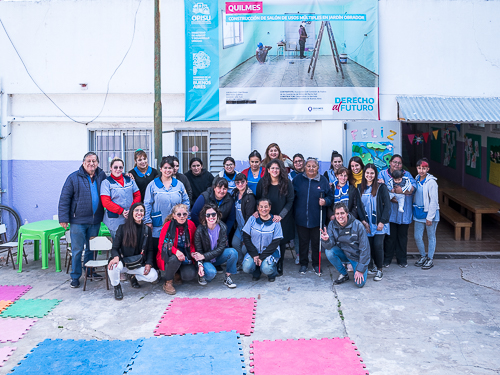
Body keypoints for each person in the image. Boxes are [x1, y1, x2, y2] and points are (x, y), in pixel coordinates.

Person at [58, 152, 107, 288]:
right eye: (89, 161)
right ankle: (75, 276)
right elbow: (64, 198)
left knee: (92, 248)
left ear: (97, 163)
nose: (92, 163)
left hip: (95, 220)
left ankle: (90, 271)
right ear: (83, 162)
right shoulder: (73, 177)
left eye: (94, 161)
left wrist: (127, 176)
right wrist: (63, 218)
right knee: (77, 250)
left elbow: (112, 184)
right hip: (77, 221)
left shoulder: (101, 175)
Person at [107, 202, 159, 300]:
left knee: (153, 276)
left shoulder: (147, 229)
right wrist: (116, 257)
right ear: (131, 212)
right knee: (113, 266)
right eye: (136, 210)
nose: (139, 213)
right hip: (124, 263)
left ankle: (134, 277)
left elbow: (150, 250)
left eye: (141, 211)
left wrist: (149, 263)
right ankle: (117, 287)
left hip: (138, 263)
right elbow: (115, 248)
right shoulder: (122, 228)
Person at [144, 156, 190, 262]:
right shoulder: (152, 185)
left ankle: (172, 269)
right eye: (165, 167)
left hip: (176, 221)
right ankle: (157, 269)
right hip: (158, 222)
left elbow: (186, 202)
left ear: (173, 170)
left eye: (170, 168)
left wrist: (185, 217)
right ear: (160, 169)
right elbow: (147, 204)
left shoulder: (179, 185)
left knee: (174, 245)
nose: (167, 170)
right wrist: (148, 221)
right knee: (158, 246)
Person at [293, 158, 334, 275]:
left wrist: (325, 201)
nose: (311, 168)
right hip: (301, 218)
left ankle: (316, 264)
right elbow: (292, 196)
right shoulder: (298, 179)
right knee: (303, 242)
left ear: (318, 168)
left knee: (316, 243)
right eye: (309, 166)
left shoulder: (323, 181)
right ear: (305, 167)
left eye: (314, 166)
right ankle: (304, 264)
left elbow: (330, 198)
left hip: (317, 218)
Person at [256, 159, 294, 276]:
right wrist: (263, 213)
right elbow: (258, 199)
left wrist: (280, 216)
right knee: (264, 239)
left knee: (280, 241)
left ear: (281, 170)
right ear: (268, 170)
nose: (275, 170)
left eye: (277, 168)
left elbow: (290, 200)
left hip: (282, 217)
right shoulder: (262, 182)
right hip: (265, 216)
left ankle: (279, 263)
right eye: (272, 168)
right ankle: (260, 264)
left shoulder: (287, 182)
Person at [378, 154, 416, 268]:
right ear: (390, 163)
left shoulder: (407, 175)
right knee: (389, 237)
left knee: (402, 237)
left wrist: (402, 192)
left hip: (404, 212)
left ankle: (402, 259)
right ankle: (387, 259)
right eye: (394, 162)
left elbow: (414, 187)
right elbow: (379, 188)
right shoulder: (383, 174)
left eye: (399, 163)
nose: (397, 165)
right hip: (390, 213)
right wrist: (390, 196)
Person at [321, 202, 370, 288]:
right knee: (329, 251)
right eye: (337, 213)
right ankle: (344, 274)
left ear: (347, 213)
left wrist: (360, 270)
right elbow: (330, 245)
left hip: (356, 257)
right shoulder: (332, 224)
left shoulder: (358, 225)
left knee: (360, 284)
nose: (340, 216)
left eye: (342, 213)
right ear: (335, 215)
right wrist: (326, 240)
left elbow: (365, 249)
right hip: (343, 253)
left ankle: (360, 268)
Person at [358, 164, 391, 281]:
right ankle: (371, 266)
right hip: (366, 224)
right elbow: (358, 207)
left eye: (372, 173)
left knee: (378, 246)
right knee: (368, 246)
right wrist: (363, 222)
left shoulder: (381, 187)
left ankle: (380, 269)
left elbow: (387, 206)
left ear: (375, 174)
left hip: (379, 223)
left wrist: (382, 221)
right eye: (367, 173)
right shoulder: (359, 188)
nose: (369, 175)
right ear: (364, 174)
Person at [193, 204, 238, 288]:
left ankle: (228, 277)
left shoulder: (222, 227)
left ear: (217, 214)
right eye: (208, 215)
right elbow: (198, 251)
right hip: (205, 260)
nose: (211, 217)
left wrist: (203, 256)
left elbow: (221, 248)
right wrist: (200, 265)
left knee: (233, 252)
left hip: (215, 257)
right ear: (205, 216)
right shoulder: (199, 230)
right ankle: (201, 274)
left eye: (213, 214)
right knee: (210, 274)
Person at [157, 204, 197, 295]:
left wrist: (193, 253)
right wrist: (175, 251)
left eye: (184, 214)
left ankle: (177, 272)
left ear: (187, 215)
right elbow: (161, 245)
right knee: (175, 259)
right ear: (174, 216)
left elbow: (194, 243)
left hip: (186, 256)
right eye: (179, 214)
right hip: (171, 256)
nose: (182, 216)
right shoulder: (167, 226)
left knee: (189, 275)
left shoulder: (191, 225)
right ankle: (168, 282)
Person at [242, 198, 283, 282]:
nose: (263, 209)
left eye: (266, 207)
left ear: (270, 207)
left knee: (266, 268)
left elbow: (275, 243)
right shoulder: (252, 219)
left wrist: (262, 257)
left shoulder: (276, 222)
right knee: (246, 267)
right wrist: (254, 254)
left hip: (269, 252)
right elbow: (246, 237)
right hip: (254, 251)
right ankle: (256, 270)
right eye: (261, 206)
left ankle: (272, 273)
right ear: (257, 207)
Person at [100, 157, 141, 239]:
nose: (118, 169)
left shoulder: (130, 180)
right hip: (114, 220)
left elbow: (137, 195)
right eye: (115, 167)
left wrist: (131, 209)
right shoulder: (106, 183)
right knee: (117, 244)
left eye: (120, 167)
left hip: (130, 217)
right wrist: (121, 211)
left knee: (130, 242)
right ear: (111, 168)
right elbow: (106, 202)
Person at [413, 158, 440, 270]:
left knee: (431, 236)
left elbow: (434, 200)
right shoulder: (416, 179)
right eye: (419, 168)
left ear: (428, 169)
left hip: (430, 213)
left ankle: (430, 258)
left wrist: (430, 217)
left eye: (424, 168)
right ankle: (423, 256)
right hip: (418, 212)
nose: (421, 170)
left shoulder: (432, 182)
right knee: (417, 236)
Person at [231, 173, 256, 267]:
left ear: (246, 182)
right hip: (239, 226)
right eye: (237, 182)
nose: (240, 184)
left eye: (242, 182)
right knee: (235, 243)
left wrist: (247, 235)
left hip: (247, 227)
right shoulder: (235, 193)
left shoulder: (250, 196)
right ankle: (240, 262)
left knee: (245, 248)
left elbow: (249, 218)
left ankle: (247, 264)